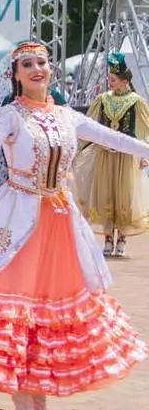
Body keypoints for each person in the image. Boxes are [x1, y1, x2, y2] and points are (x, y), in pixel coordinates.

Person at [0, 41, 148, 410]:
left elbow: (115, 139)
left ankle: (39, 400)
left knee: (49, 311)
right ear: (17, 74)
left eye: (42, 62)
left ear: (50, 70)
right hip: (19, 214)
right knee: (21, 307)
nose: (37, 69)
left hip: (59, 219)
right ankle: (23, 401)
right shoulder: (10, 115)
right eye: (28, 64)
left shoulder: (66, 116)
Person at [72, 53, 149, 257]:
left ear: (125, 80)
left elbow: (145, 130)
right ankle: (107, 238)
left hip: (126, 157)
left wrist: (144, 155)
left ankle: (122, 238)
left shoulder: (136, 102)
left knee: (124, 196)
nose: (110, 82)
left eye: (114, 79)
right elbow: (90, 126)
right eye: (109, 79)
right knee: (105, 193)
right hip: (104, 155)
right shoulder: (102, 99)